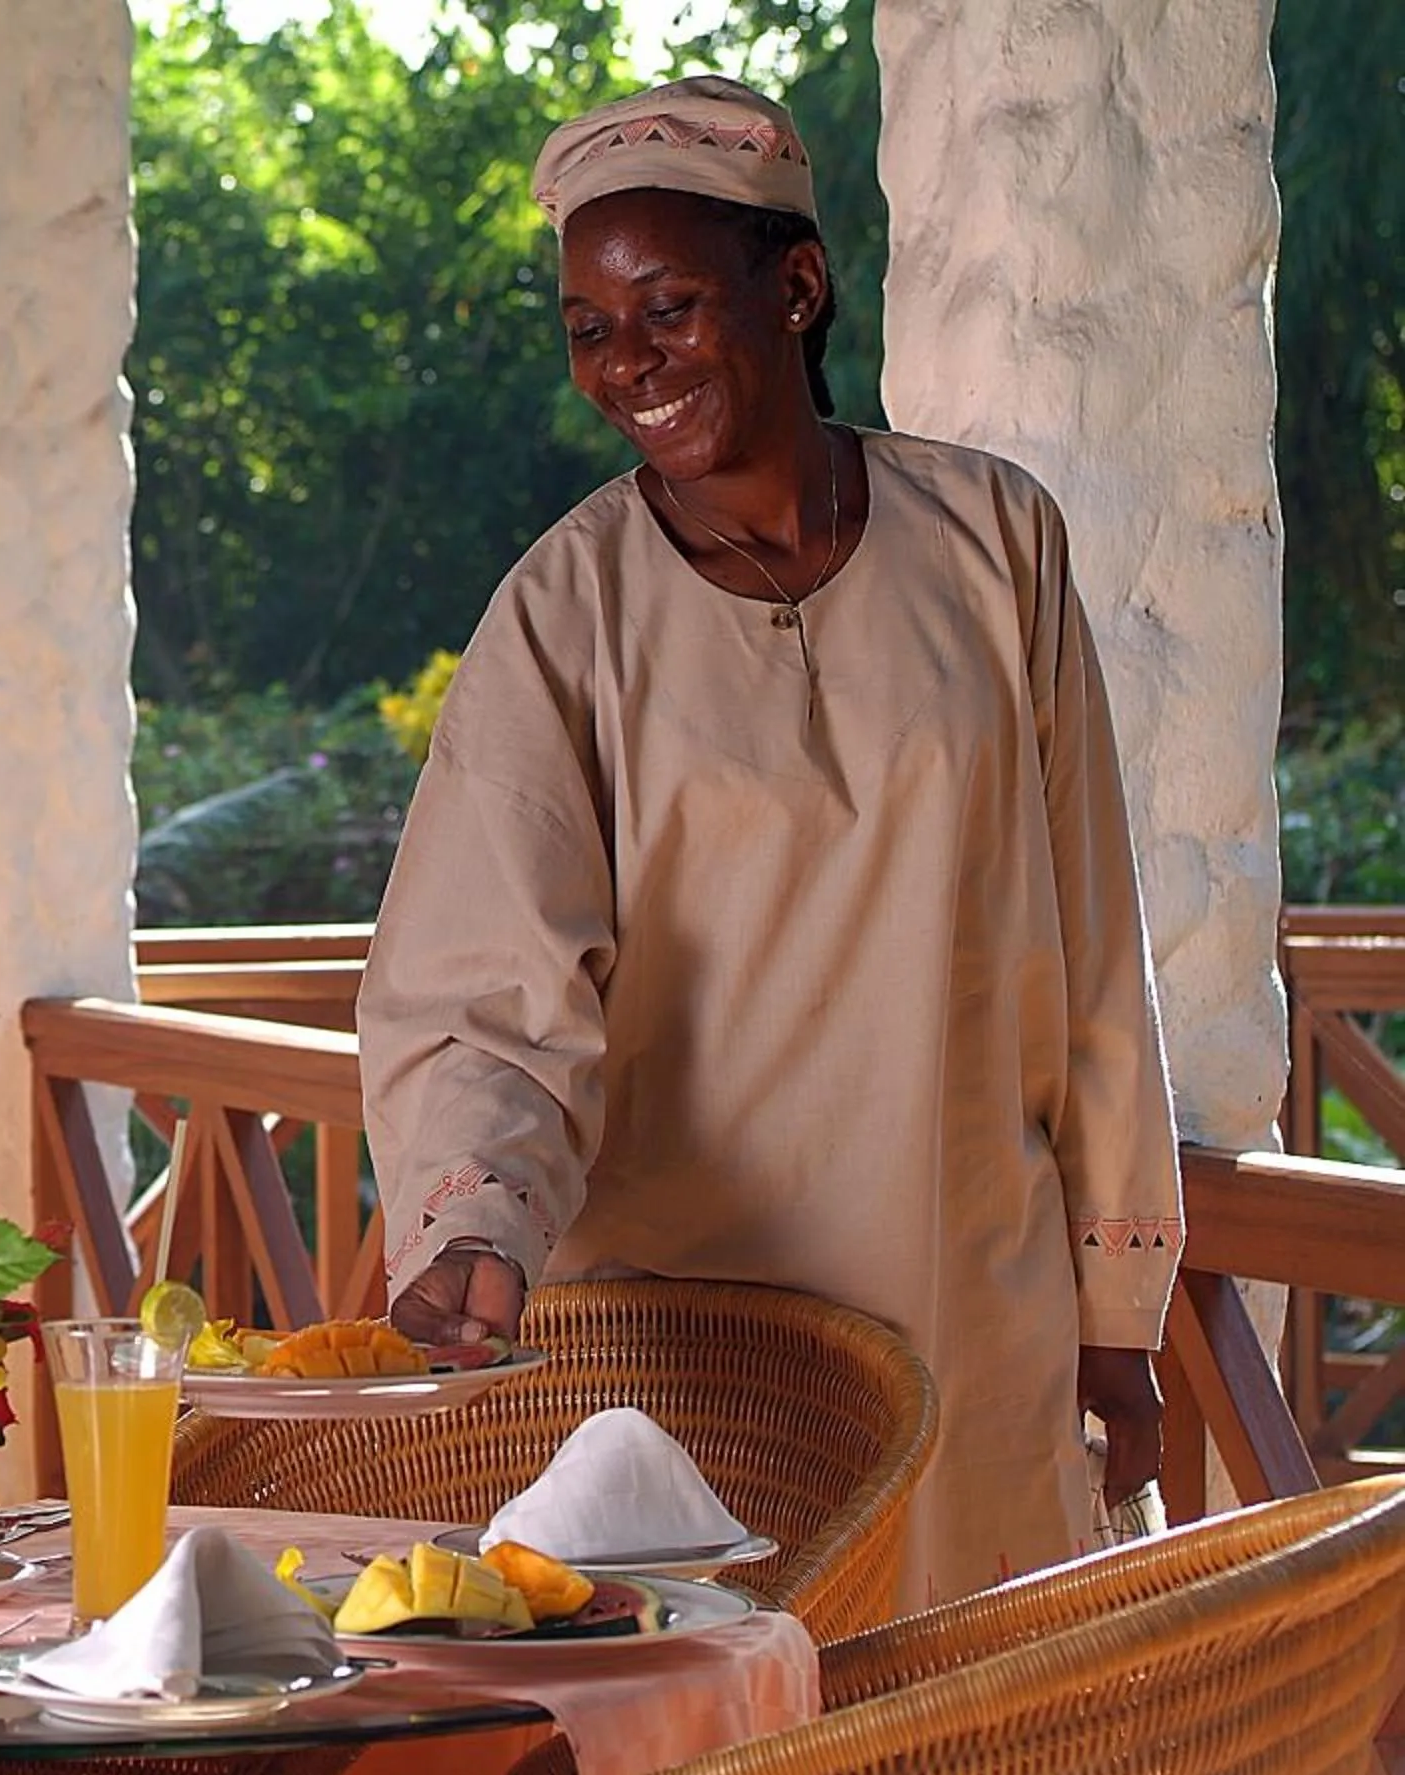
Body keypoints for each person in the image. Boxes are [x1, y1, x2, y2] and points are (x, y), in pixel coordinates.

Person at [355, 75, 1181, 1607]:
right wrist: (478, 1216)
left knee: (959, 1725)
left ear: (794, 287)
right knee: (722, 1722)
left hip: (968, 1301)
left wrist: (1118, 1312)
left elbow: (1092, 940)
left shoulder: (997, 541)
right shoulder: (565, 612)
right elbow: (486, 981)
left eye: (667, 306)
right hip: (691, 1348)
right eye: (591, 328)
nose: (628, 361)